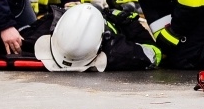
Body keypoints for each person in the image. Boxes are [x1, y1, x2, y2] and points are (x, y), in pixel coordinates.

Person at [29, 4, 161, 72]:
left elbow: (153, 54)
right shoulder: (117, 52)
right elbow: (153, 53)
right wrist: (131, 25)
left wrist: (127, 24)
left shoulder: (117, 51)